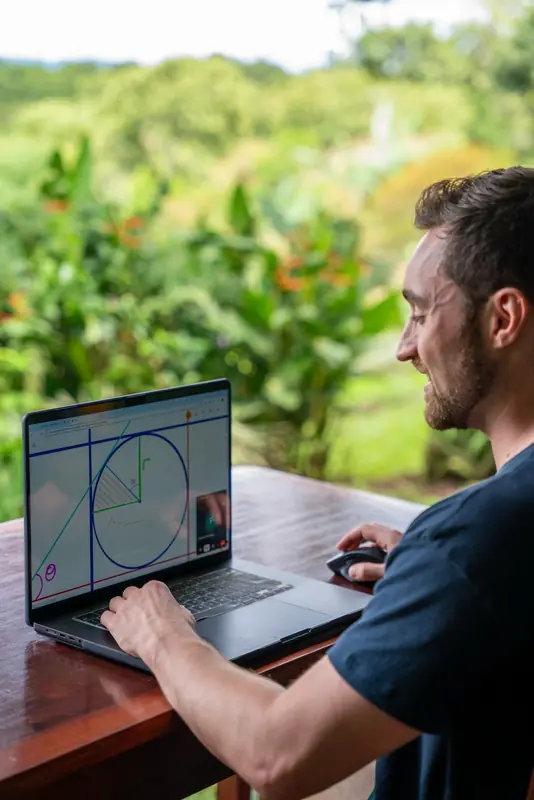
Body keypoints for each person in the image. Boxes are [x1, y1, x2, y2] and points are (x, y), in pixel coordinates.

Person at [101, 167, 534, 800]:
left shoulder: (477, 543)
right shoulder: (482, 552)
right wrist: (438, 582)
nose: (403, 347)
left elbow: (278, 759)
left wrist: (163, 636)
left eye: (419, 312)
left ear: (503, 320)